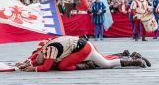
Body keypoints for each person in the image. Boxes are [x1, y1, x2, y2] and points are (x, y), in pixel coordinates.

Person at [16, 36, 149, 72]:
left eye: (38, 57)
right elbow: (35, 58)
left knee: (106, 64)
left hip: (82, 48)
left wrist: (32, 68)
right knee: (102, 59)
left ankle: (134, 62)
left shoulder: (49, 51)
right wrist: (26, 63)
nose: (36, 58)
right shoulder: (43, 49)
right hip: (81, 45)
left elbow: (45, 67)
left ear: (41, 53)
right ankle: (129, 56)